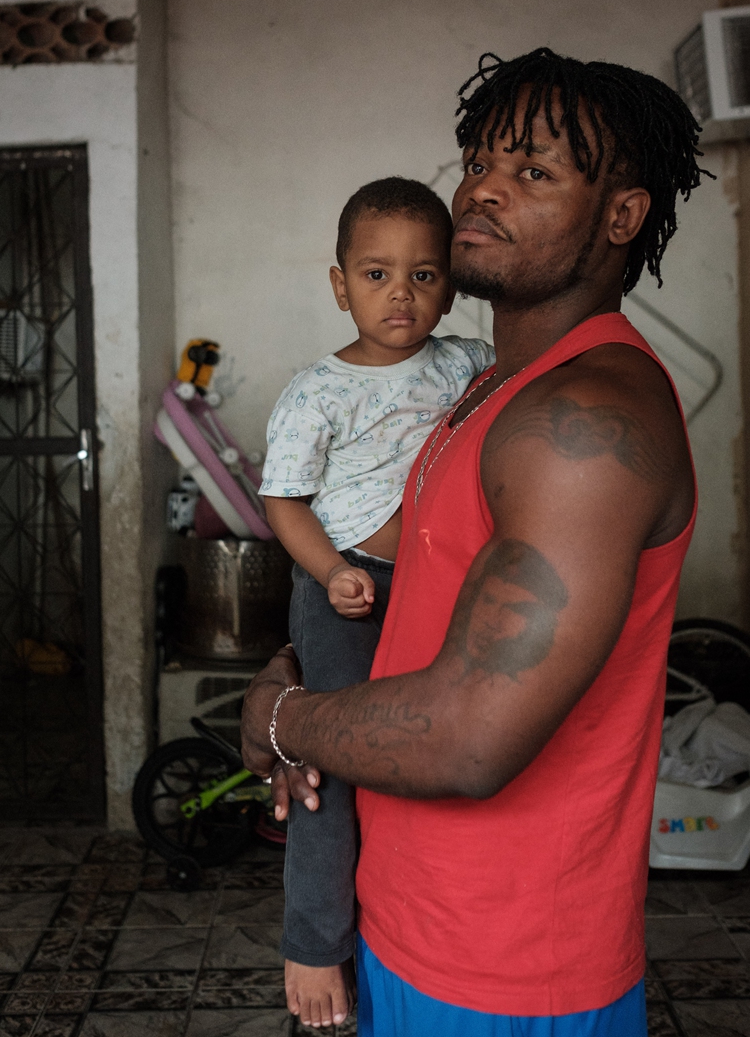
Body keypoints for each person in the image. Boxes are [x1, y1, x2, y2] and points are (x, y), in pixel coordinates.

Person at [243, 47, 710, 1035]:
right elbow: (420, 603)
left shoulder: (585, 418)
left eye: (534, 172)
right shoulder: (482, 390)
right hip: (409, 917)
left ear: (619, 216)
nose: (483, 191)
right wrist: (311, 660)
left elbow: (469, 736)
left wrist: (282, 720)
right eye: (479, 162)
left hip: (503, 966)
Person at [258, 176, 494, 1028]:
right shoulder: (317, 392)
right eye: (376, 274)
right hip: (347, 588)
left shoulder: (467, 361)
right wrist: (328, 572)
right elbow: (282, 500)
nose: (402, 294)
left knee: (437, 753)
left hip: (439, 588)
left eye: (425, 276)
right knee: (330, 769)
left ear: (451, 285)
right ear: (339, 284)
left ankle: (423, 936)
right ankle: (316, 943)